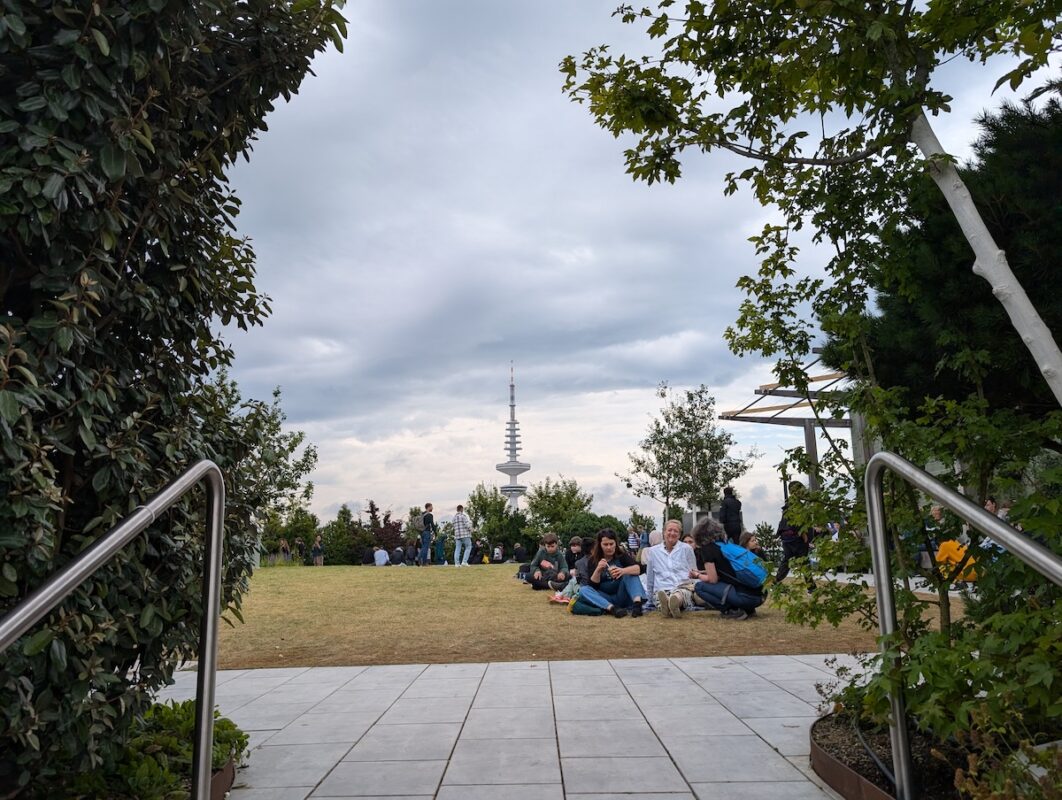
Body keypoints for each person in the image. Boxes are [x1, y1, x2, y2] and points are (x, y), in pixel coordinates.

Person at [691, 523, 766, 621]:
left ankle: (732, 610)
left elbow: (713, 579)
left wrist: (698, 575)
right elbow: (726, 571)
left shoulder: (707, 549)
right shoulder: (727, 545)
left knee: (699, 587)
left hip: (746, 598)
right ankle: (749, 609)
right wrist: (702, 572)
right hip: (760, 596)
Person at [577, 529, 645, 617]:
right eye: (605, 544)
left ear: (615, 544)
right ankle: (612, 609)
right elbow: (593, 586)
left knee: (631, 572)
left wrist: (622, 571)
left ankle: (637, 605)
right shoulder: (593, 560)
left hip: (623, 595)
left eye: (611, 544)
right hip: (605, 598)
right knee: (583, 590)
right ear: (600, 545)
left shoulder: (621, 556)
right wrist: (598, 570)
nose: (609, 547)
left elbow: (641, 568)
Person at [646, 519, 697, 618]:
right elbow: (650, 577)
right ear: (664, 532)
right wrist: (649, 597)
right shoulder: (653, 552)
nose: (672, 533)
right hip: (662, 589)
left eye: (676, 531)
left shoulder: (687, 549)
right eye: (669, 530)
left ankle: (672, 603)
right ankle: (668, 604)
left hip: (682, 587)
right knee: (660, 595)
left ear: (679, 534)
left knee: (680, 594)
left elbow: (694, 571)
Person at [774, 482, 814, 593]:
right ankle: (811, 587)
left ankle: (776, 582)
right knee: (803, 562)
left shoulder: (789, 504)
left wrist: (778, 534)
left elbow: (783, 521)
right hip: (796, 538)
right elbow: (794, 521)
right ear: (796, 491)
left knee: (787, 561)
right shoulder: (795, 505)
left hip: (787, 537)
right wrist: (803, 533)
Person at [418, 503, 436, 567]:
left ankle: (418, 560)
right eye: (432, 506)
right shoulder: (429, 515)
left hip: (422, 533)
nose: (432, 508)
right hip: (427, 532)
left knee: (423, 547)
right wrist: (436, 533)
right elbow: (432, 524)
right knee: (425, 547)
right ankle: (424, 563)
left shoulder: (422, 514)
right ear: (428, 507)